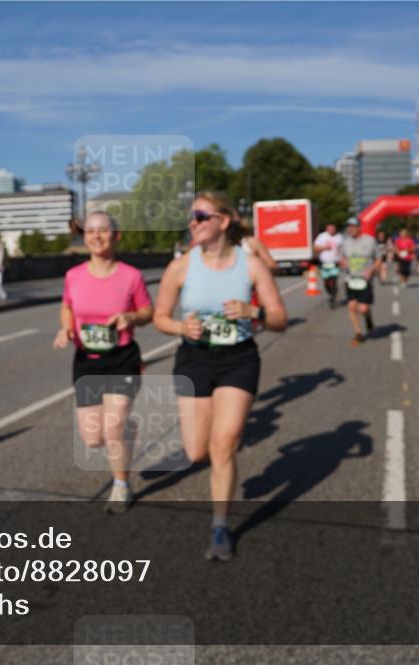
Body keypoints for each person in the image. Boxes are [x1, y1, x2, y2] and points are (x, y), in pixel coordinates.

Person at [153, 192, 287, 561]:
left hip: (238, 360)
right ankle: (223, 449)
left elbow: (280, 319)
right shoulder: (180, 267)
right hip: (195, 359)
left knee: (222, 445)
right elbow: (159, 316)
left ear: (224, 221)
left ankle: (219, 526)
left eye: (201, 215)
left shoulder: (251, 264)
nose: (193, 222)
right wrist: (181, 325)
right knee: (197, 451)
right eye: (191, 216)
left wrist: (253, 312)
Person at [54, 211, 153, 513]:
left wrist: (131, 317)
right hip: (87, 360)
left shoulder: (131, 275)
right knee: (93, 438)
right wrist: (66, 327)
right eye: (90, 231)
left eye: (103, 230)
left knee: (112, 427)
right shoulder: (74, 275)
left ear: (116, 235)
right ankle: (126, 430)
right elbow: (67, 306)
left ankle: (121, 486)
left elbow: (148, 312)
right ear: (84, 237)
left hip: (122, 358)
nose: (96, 236)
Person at [339, 218, 380, 346]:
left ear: (359, 227)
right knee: (351, 306)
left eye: (353, 226)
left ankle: (368, 317)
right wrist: (343, 263)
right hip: (351, 278)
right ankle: (358, 333)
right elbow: (342, 258)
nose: (350, 229)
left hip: (365, 279)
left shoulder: (370, 241)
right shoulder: (345, 242)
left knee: (363, 308)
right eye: (348, 227)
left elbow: (378, 260)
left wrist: (371, 270)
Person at [313, 222, 343, 308]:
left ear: (335, 228)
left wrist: (342, 258)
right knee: (326, 281)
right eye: (329, 228)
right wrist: (324, 248)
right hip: (324, 263)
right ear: (327, 228)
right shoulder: (322, 236)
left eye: (333, 228)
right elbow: (315, 248)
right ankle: (330, 294)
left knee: (333, 280)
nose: (331, 230)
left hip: (335, 262)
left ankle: (332, 299)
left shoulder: (339, 237)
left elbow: (343, 249)